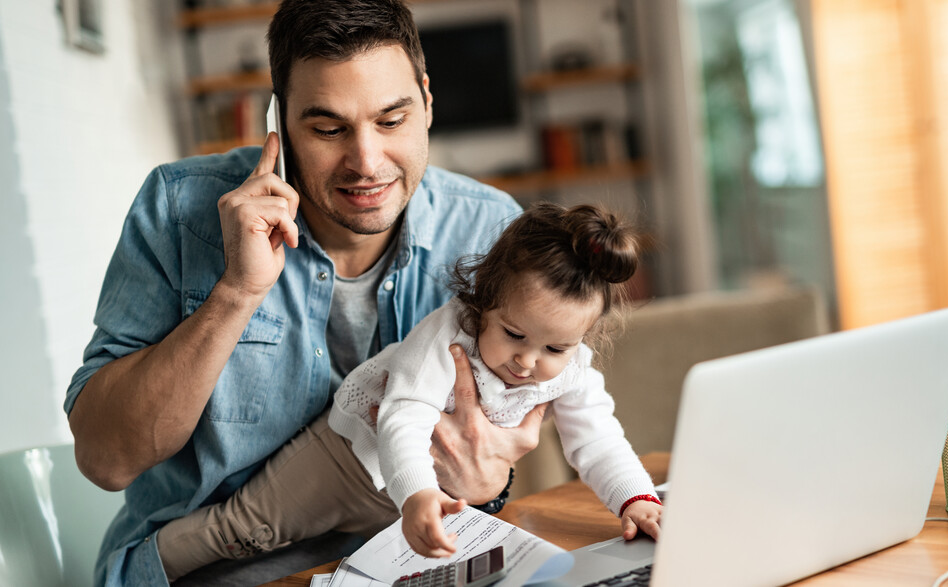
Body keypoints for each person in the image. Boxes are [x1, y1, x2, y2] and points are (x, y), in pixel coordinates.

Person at [64, 1, 545, 584]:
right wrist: (237, 292)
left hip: (415, 562)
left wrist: (491, 485)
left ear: (426, 101)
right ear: (279, 122)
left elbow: (497, 447)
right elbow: (106, 460)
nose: (366, 162)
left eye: (391, 121)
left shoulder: (490, 229)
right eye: (328, 129)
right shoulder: (178, 210)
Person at [155, 202, 663, 579]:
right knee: (244, 531)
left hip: (416, 499)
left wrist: (635, 500)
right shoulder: (449, 334)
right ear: (485, 300)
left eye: (555, 348)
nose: (527, 362)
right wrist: (418, 494)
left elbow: (598, 439)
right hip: (348, 460)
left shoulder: (573, 371)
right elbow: (404, 416)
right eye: (513, 334)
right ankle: (143, 566)